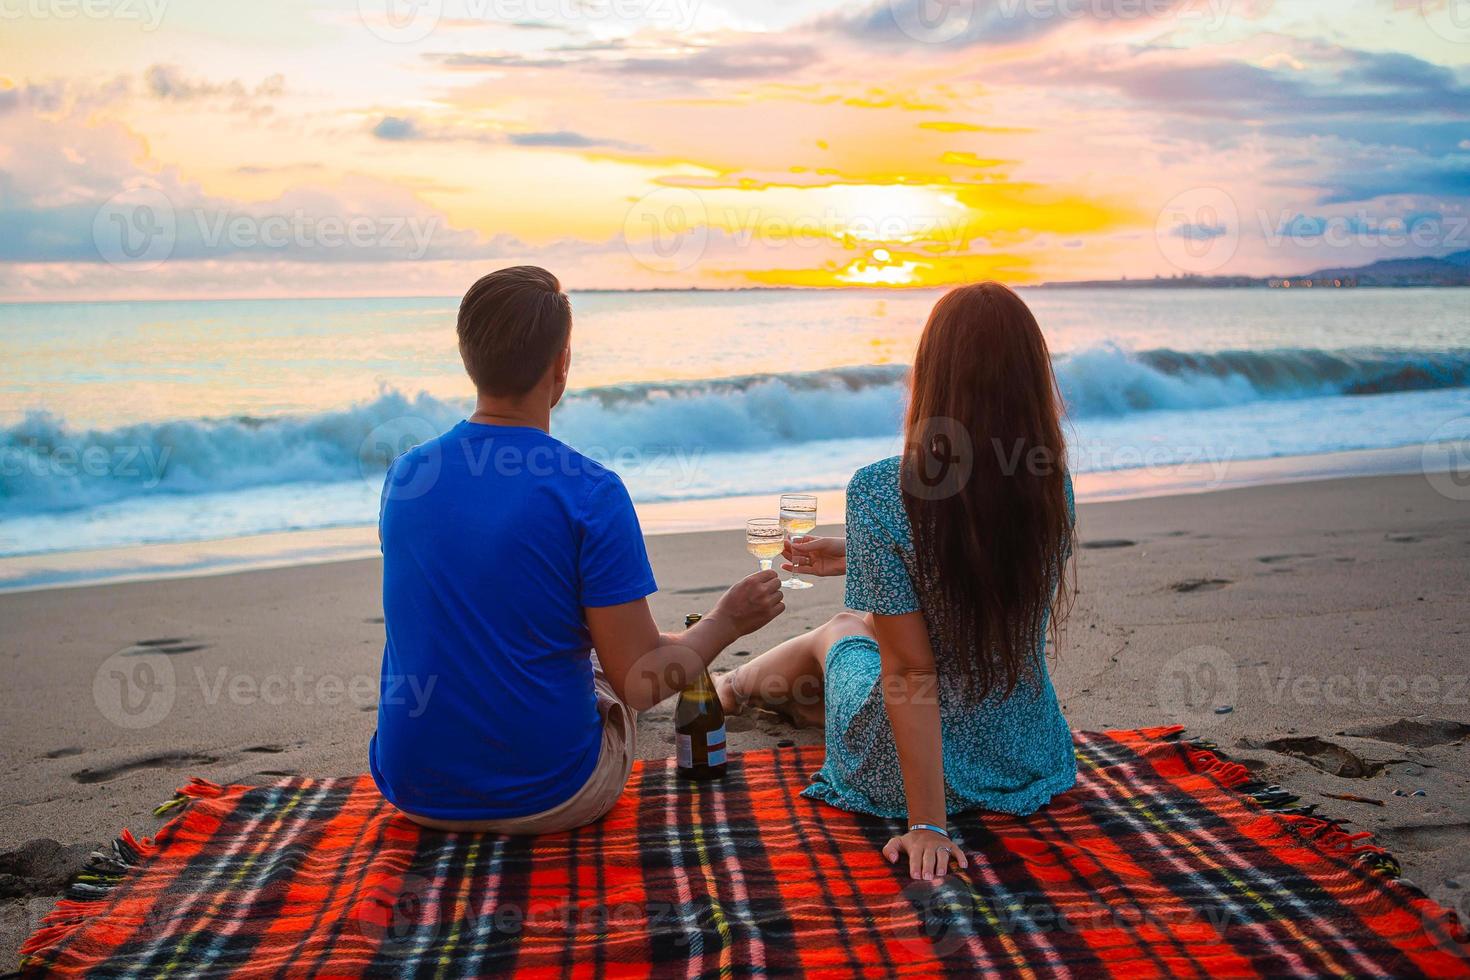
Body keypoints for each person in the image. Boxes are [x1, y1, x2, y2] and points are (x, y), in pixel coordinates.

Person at [370, 266, 784, 834]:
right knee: (609, 668)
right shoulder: (589, 491)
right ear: (561, 362)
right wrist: (727, 620)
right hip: (549, 793)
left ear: (468, 357)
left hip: (412, 787)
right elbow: (640, 683)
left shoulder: (405, 475)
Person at [717, 282, 1077, 882]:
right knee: (862, 630)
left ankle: (728, 686)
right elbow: (969, 576)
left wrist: (929, 825)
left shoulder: (884, 489)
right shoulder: (1048, 485)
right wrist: (860, 554)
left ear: (931, 374)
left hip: (901, 765)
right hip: (1024, 754)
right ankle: (782, 698)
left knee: (840, 632)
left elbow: (912, 672)